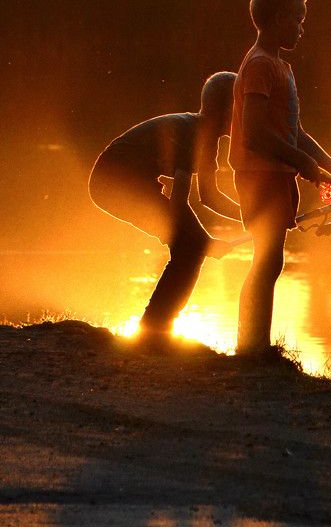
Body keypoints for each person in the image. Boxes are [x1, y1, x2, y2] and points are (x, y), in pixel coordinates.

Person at [229, 0, 331, 357]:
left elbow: (296, 134)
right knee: (267, 260)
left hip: (276, 176)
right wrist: (301, 162)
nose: (302, 29)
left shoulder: (281, 67)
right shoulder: (259, 65)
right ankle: (252, 346)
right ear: (277, 19)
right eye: (298, 20)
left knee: (271, 260)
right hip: (259, 179)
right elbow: (254, 133)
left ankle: (254, 345)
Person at [88, 72, 241, 339]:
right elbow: (179, 205)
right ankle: (155, 329)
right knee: (190, 247)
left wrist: (253, 215)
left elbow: (209, 196)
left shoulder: (208, 140)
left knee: (190, 246)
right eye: (241, 110)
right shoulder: (193, 135)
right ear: (226, 111)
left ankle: (157, 327)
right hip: (111, 182)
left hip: (129, 182)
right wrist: (206, 241)